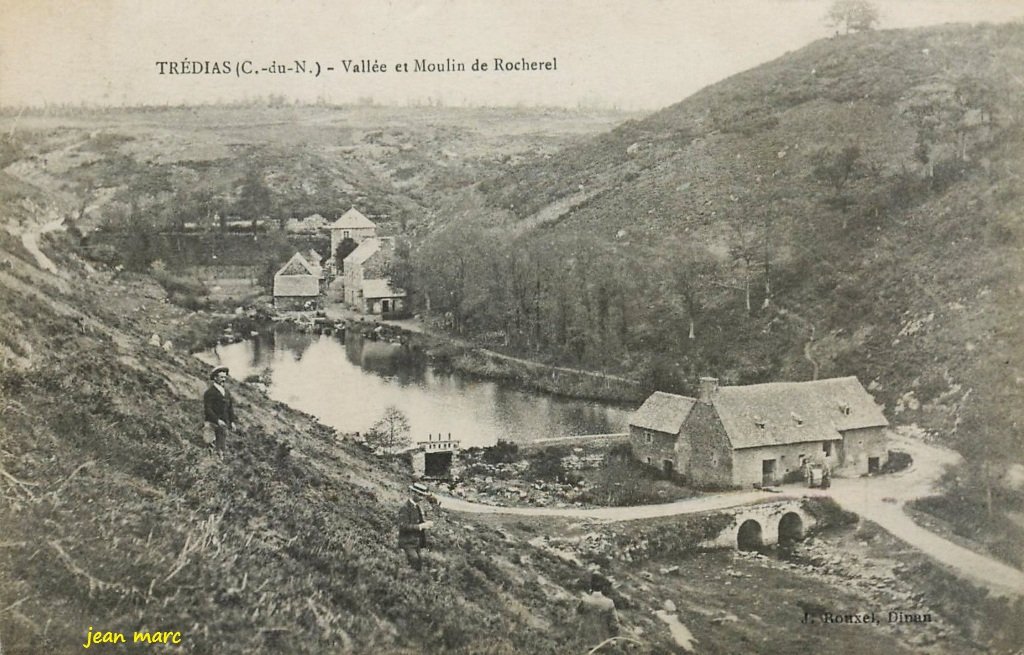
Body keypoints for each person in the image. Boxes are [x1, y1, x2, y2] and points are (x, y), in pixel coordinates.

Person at [397, 484, 434, 570]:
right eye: (420, 495)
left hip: (416, 543)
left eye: (423, 495)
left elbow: (419, 522)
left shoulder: (417, 507)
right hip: (407, 543)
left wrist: (426, 524)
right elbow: (403, 526)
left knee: (422, 562)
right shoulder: (405, 508)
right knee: (415, 560)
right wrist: (420, 526)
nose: (422, 498)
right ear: (413, 493)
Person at [203, 365, 235, 449]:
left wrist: (232, 421)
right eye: (221, 377)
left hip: (223, 425)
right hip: (211, 424)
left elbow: (230, 408)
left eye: (224, 377)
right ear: (215, 378)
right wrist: (217, 420)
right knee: (209, 446)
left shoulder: (227, 392)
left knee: (221, 448)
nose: (223, 379)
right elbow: (208, 409)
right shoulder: (210, 392)